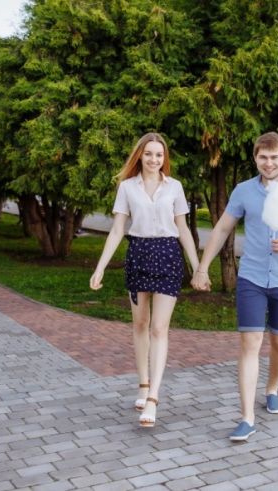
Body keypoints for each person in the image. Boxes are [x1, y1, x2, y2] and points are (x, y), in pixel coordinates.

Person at [192, 132, 278, 441]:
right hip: (250, 278)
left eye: (274, 157)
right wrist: (201, 266)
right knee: (250, 344)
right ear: (255, 159)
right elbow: (223, 228)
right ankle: (247, 417)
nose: (268, 162)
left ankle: (273, 388)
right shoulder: (243, 191)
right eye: (262, 157)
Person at [90, 132, 200, 428]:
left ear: (165, 159)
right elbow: (117, 230)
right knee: (139, 324)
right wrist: (100, 267)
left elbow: (184, 229)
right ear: (140, 155)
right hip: (137, 252)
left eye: (159, 155)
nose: (154, 159)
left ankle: (153, 398)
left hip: (167, 254)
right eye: (149, 154)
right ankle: (142, 382)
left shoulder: (175, 187)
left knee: (159, 328)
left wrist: (198, 266)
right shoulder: (127, 187)